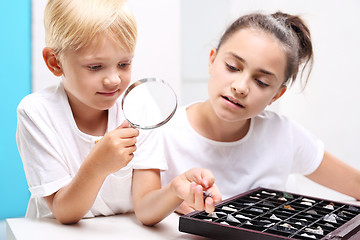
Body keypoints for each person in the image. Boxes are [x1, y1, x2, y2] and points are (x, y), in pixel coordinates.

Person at [16, 0, 220, 226]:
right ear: (55, 63)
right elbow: (64, 212)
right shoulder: (36, 113)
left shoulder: (139, 103)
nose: (113, 79)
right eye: (95, 67)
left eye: (124, 64)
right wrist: (97, 165)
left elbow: (145, 209)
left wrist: (175, 190)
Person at [161, 11, 360, 214]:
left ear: (277, 94)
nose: (240, 87)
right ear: (212, 60)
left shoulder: (283, 135)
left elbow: (356, 184)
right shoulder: (164, 133)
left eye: (261, 82)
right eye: (232, 67)